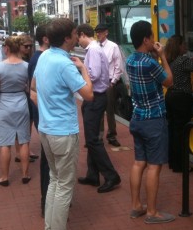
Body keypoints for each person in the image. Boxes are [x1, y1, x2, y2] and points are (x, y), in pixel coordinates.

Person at [30, 18, 93, 230]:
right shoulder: (65, 63)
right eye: (75, 33)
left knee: (55, 180)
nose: (77, 36)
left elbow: (33, 86)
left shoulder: (45, 55)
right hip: (63, 132)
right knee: (65, 186)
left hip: (46, 130)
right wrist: (83, 68)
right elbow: (89, 94)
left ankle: (50, 226)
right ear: (67, 38)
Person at [125, 20, 175, 224]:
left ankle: (136, 206)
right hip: (154, 120)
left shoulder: (130, 60)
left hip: (137, 118)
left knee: (139, 163)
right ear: (146, 39)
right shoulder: (151, 63)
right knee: (154, 166)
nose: (154, 39)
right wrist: (163, 55)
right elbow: (169, 81)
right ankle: (152, 212)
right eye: (152, 36)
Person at [77, 24, 121, 193]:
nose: (77, 42)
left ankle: (111, 175)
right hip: (95, 97)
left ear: (82, 35)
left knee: (93, 140)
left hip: (95, 97)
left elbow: (93, 74)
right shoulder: (95, 49)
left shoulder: (93, 50)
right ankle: (93, 174)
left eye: (77, 37)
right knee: (92, 138)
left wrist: (81, 68)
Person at [0, 36, 31, 187]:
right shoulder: (26, 66)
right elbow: (28, 87)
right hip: (21, 102)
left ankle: (4, 177)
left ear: (6, 48)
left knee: (5, 143)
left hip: (5, 104)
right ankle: (25, 174)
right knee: (23, 140)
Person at [164, 35, 193, 173]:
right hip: (181, 98)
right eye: (184, 44)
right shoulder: (182, 60)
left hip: (170, 96)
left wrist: (191, 59)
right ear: (179, 46)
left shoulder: (170, 59)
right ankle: (182, 165)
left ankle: (173, 162)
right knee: (182, 132)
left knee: (172, 130)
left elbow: (186, 63)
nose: (186, 46)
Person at [28, 24, 50, 216]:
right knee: (48, 162)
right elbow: (33, 89)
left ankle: (49, 201)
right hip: (45, 118)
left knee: (49, 161)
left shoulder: (39, 57)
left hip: (44, 117)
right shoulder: (40, 58)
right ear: (45, 39)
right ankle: (47, 202)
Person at [95, 23, 123, 147]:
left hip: (108, 82)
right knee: (98, 110)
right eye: (97, 32)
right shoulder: (95, 47)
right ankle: (99, 136)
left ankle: (112, 135)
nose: (98, 34)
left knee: (110, 110)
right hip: (97, 83)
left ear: (106, 32)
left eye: (100, 32)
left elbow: (119, 65)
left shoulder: (113, 46)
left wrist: (113, 82)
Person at [15, 33, 38, 163]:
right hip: (20, 94)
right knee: (20, 123)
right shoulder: (17, 60)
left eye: (30, 46)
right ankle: (19, 151)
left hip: (29, 93)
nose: (28, 48)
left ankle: (26, 148)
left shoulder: (29, 59)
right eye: (26, 46)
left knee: (29, 121)